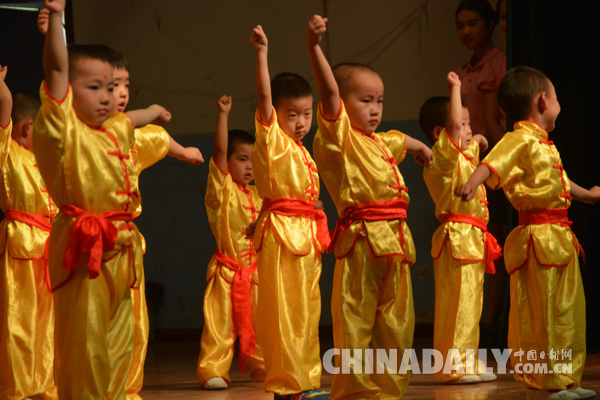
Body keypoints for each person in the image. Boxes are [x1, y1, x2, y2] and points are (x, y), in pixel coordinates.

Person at [33, 0, 172, 398]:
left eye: (111, 88)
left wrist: (157, 115)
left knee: (118, 341)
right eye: (94, 88)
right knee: (86, 344)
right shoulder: (62, 129)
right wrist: (57, 21)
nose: (107, 97)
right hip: (84, 248)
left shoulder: (114, 130)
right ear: (66, 93)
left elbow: (134, 119)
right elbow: (57, 69)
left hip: (122, 248)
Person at [307, 15, 432, 399]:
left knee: (397, 322)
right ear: (342, 106)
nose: (375, 108)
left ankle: (390, 390)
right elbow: (328, 94)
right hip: (361, 242)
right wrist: (314, 47)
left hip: (396, 240)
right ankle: (356, 392)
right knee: (356, 320)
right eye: (365, 101)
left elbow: (401, 140)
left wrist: (422, 148)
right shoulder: (339, 139)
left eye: (379, 101)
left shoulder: (380, 141)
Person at [455, 66, 599, 400]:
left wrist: (586, 195)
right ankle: (545, 383)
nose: (559, 104)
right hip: (537, 236)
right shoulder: (518, 139)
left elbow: (560, 184)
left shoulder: (543, 145)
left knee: (568, 311)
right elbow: (492, 164)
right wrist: (472, 184)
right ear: (544, 101)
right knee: (542, 313)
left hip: (560, 235)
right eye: (557, 97)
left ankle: (566, 379)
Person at [107, 49, 204, 400]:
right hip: (90, 241)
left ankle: (127, 390)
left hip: (127, 241)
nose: (119, 93)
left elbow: (157, 139)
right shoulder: (87, 132)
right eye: (109, 86)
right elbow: (141, 120)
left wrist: (186, 152)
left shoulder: (131, 139)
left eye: (123, 85)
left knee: (133, 320)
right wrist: (155, 110)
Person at [249, 24, 330, 400]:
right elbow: (264, 94)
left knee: (306, 311)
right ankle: (287, 384)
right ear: (275, 114)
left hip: (306, 236)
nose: (301, 122)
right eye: (292, 114)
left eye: (307, 114)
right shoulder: (272, 139)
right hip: (282, 233)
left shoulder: (304, 151)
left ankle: (307, 381)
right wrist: (262, 53)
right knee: (282, 313)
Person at [420, 72, 501, 384]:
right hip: (458, 237)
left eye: (468, 123)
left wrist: (478, 139)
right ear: (441, 133)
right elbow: (455, 131)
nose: (468, 129)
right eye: (464, 123)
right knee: (459, 304)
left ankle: (464, 360)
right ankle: (454, 365)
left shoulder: (461, 159)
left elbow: (475, 143)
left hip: (471, 239)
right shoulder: (443, 157)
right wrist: (454, 88)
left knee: (470, 304)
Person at [196, 95, 266, 390]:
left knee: (263, 326)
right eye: (242, 159)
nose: (250, 167)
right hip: (227, 271)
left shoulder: (261, 194)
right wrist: (223, 115)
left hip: (258, 273)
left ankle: (261, 367)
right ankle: (214, 368)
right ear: (227, 163)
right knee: (220, 325)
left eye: (254, 160)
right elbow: (219, 149)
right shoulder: (223, 188)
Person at [0, 66, 58, 400]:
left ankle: (45, 385)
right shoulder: (8, 151)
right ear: (29, 126)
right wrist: (2, 86)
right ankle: (19, 388)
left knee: (46, 321)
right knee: (19, 322)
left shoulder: (41, 160)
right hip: (22, 244)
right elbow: (5, 104)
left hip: (47, 246)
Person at [454, 0, 508, 347]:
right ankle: (470, 326)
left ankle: (490, 325)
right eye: (460, 26)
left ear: (490, 23)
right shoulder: (460, 72)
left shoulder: (500, 62)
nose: (466, 31)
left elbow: (494, 123)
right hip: (466, 164)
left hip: (493, 162)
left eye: (473, 23)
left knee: (498, 245)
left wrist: (499, 164)